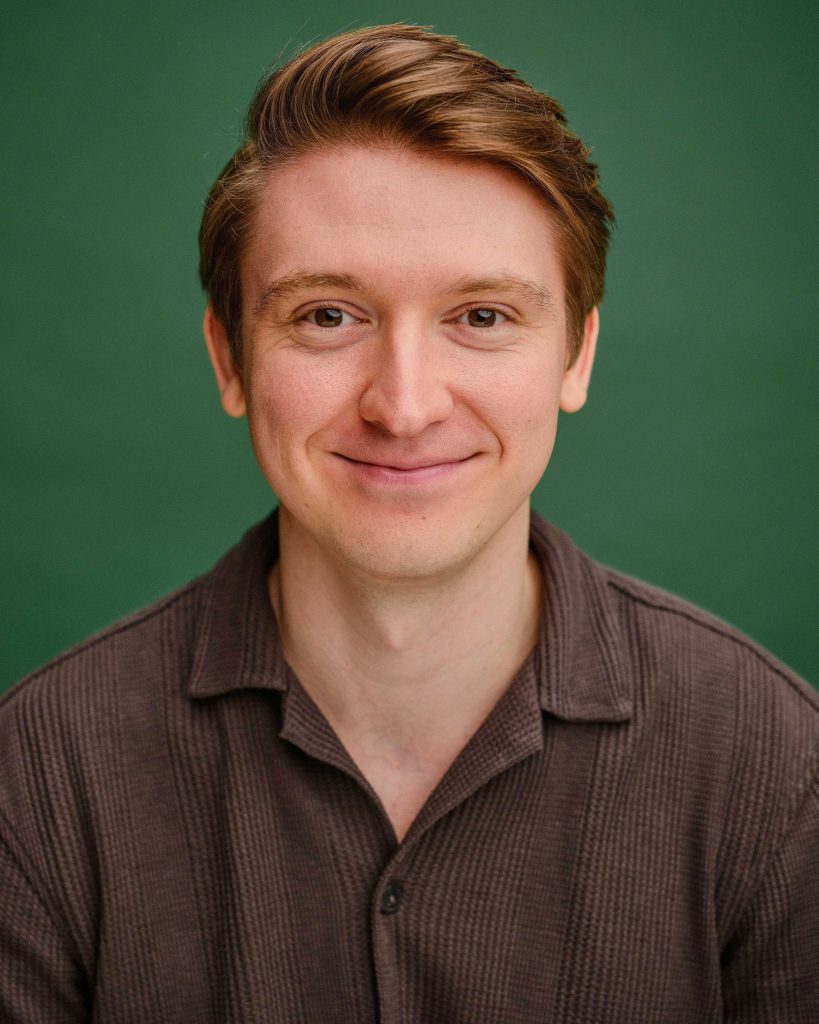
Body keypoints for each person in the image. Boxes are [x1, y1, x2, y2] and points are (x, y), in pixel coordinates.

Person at [1, 23, 816, 1023]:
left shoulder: (776, 764)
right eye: (327, 316)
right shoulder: (38, 768)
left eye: (482, 317)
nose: (405, 405)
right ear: (229, 359)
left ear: (576, 357)